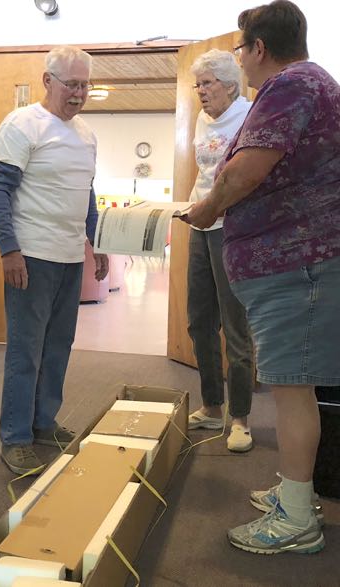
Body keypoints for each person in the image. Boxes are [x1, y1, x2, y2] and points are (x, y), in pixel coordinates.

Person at [186, 0, 340, 555]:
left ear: (258, 49)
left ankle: (298, 518)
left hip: (297, 263)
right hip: (292, 262)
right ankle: (294, 493)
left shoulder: (292, 84)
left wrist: (206, 210)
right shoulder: (306, 84)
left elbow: (245, 170)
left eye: (239, 48)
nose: (239, 59)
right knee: (292, 385)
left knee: (293, 390)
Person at [0, 46, 109, 475]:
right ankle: (15, 437)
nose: (78, 93)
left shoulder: (87, 135)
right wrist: (9, 250)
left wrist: (99, 241)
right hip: (31, 258)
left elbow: (86, 194)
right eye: (71, 84)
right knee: (25, 352)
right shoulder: (22, 125)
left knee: (58, 347)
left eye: (85, 85)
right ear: (47, 81)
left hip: (70, 257)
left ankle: (42, 422)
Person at [185, 49, 256, 452]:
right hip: (200, 224)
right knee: (199, 321)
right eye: (197, 85)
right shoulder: (201, 119)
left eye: (207, 83)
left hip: (234, 230)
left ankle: (240, 417)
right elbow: (206, 172)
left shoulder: (250, 115)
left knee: (235, 327)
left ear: (230, 84)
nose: (200, 92)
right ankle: (212, 406)